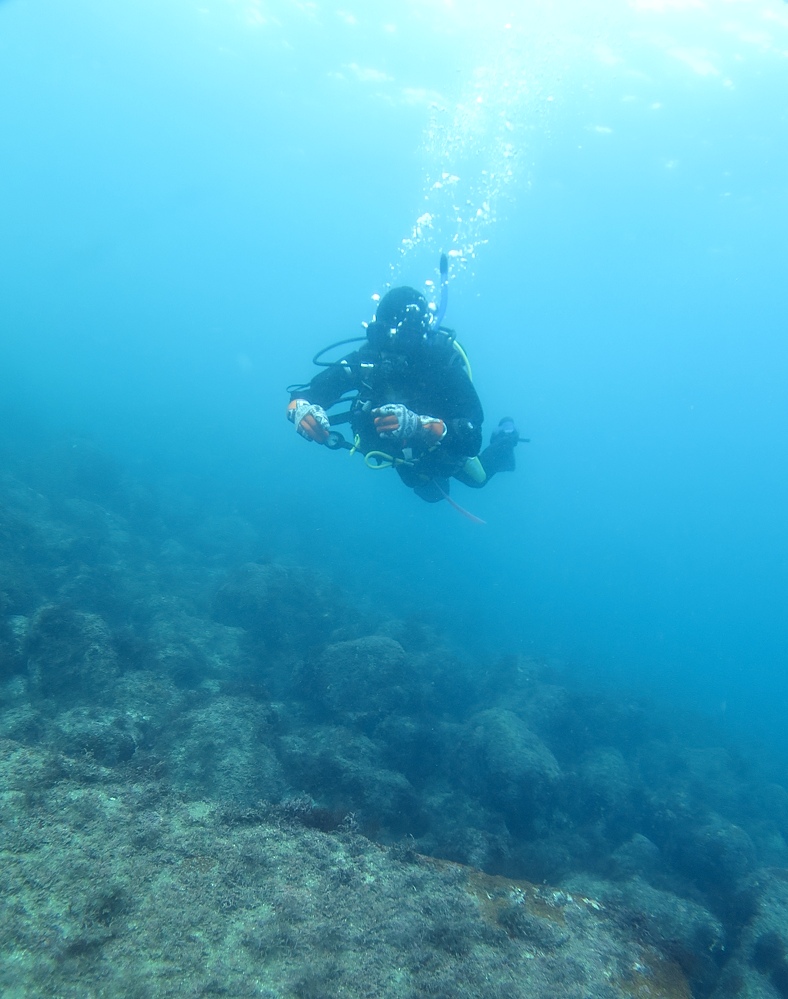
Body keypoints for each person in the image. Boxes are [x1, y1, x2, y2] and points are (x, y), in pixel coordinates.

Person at [286, 283, 521, 504]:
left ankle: (506, 438)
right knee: (428, 492)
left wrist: (424, 426)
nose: (391, 349)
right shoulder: (368, 359)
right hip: (398, 454)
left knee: (476, 480)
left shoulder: (442, 363)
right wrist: (300, 408)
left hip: (443, 447)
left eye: (404, 338)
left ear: (418, 335)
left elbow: (472, 438)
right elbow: (308, 393)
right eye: (380, 336)